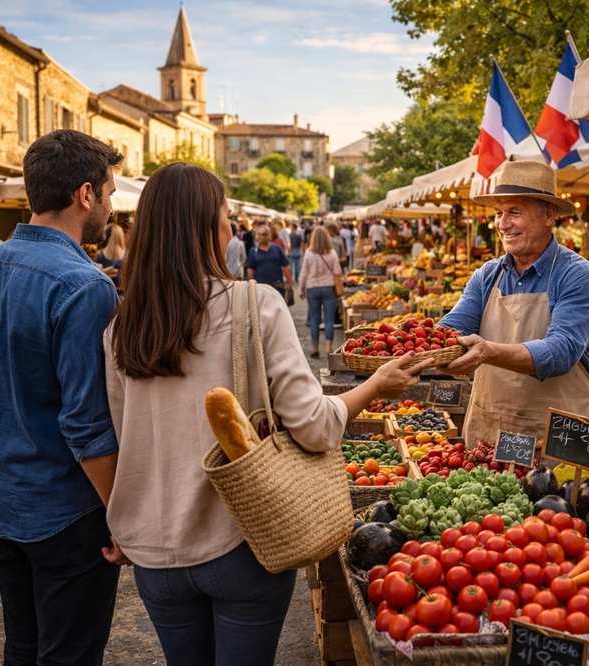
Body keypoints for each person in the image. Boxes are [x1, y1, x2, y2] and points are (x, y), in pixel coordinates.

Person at [101, 162, 433, 665]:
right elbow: (316, 427)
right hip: (243, 538)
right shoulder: (256, 305)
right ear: (208, 228)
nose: (231, 227)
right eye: (225, 215)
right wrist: (375, 384)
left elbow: (125, 438)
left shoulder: (121, 327)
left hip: (155, 550)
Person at [0, 129, 125, 665]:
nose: (112, 204)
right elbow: (87, 424)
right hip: (66, 512)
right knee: (68, 655)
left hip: (0, 498)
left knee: (23, 647)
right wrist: (122, 514)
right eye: (111, 191)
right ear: (85, 194)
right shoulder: (85, 285)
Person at [438, 160, 589, 454]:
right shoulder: (487, 275)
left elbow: (561, 351)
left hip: (559, 436)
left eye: (515, 212)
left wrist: (488, 351)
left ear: (548, 214)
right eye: (499, 213)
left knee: (560, 501)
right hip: (492, 429)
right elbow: (454, 328)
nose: (502, 224)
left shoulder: (577, 274)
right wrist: (429, 347)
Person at [299, 226, 342, 359]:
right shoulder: (332, 252)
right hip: (329, 287)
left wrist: (301, 289)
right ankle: (329, 346)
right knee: (329, 319)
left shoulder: (308, 253)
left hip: (312, 288)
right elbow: (338, 271)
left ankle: (315, 347)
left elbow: (304, 273)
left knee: (315, 318)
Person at [245, 224, 292, 295]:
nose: (261, 237)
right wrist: (251, 284)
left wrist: (289, 281)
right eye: (259, 234)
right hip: (260, 287)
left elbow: (286, 265)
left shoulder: (277, 249)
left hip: (277, 286)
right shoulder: (253, 251)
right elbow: (250, 268)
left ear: (269, 236)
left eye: (264, 234)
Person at [96, 223, 127, 289]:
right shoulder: (127, 254)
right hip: (123, 290)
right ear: (121, 236)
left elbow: (96, 274)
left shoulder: (100, 254)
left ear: (106, 236)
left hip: (104, 289)